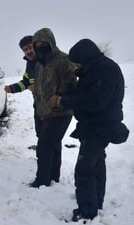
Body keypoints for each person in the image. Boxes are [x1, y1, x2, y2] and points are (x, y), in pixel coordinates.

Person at [52, 39, 129, 221]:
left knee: (84, 170)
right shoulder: (93, 70)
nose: (75, 66)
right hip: (93, 126)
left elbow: (95, 101)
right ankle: (96, 202)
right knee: (97, 165)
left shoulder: (105, 70)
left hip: (99, 128)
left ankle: (86, 212)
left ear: (85, 58)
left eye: (77, 62)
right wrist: (67, 94)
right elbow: (85, 94)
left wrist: (64, 101)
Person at [29, 28, 77, 188]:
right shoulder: (39, 63)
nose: (40, 46)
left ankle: (42, 180)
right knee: (53, 145)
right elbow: (38, 86)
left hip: (60, 111)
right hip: (43, 111)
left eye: (43, 43)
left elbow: (71, 85)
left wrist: (58, 97)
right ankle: (53, 177)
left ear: (51, 42)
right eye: (37, 44)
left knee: (44, 147)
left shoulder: (63, 60)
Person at [4, 35, 41, 138]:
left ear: (36, 46)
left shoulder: (45, 61)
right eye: (25, 50)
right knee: (44, 138)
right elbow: (26, 82)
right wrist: (11, 88)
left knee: (47, 143)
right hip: (39, 107)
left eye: (30, 47)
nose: (28, 51)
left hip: (52, 109)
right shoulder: (30, 64)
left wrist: (37, 87)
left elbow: (53, 81)